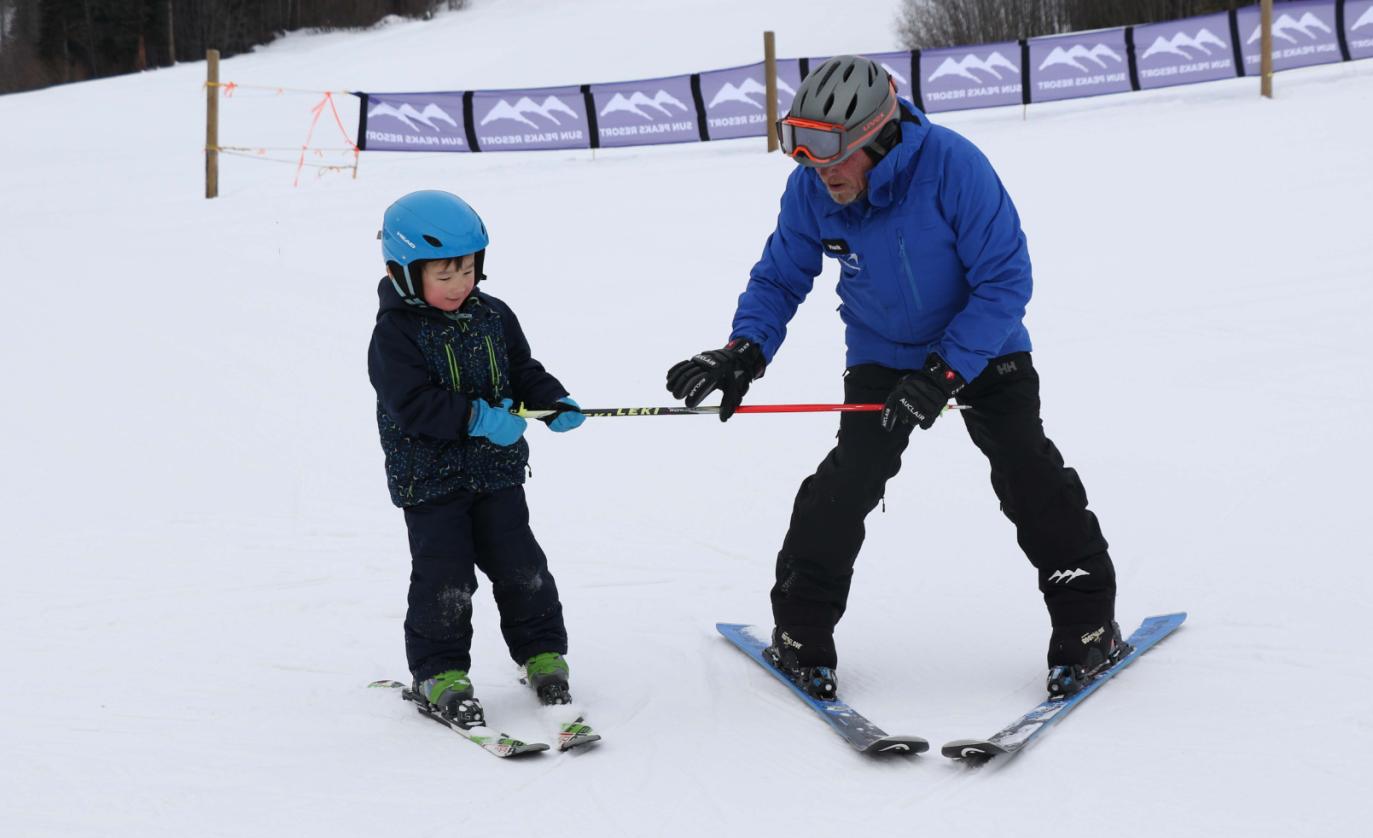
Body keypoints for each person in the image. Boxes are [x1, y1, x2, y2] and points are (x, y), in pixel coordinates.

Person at [666, 56, 1120, 700]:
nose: (821, 175)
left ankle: (1087, 623)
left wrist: (946, 371)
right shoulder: (811, 187)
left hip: (984, 344)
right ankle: (801, 632)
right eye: (804, 157)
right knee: (850, 478)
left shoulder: (954, 167)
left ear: (880, 136)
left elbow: (1004, 281)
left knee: (1025, 468)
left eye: (833, 158)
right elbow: (780, 276)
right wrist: (744, 348)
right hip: (882, 349)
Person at [369, 189, 586, 727]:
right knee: (446, 578)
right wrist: (479, 418)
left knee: (522, 567)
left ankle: (541, 653)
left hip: (497, 473)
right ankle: (438, 671)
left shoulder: (493, 315)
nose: (460, 284)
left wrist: (551, 399)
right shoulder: (394, 334)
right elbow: (413, 404)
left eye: (467, 269)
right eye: (444, 275)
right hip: (431, 483)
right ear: (403, 272)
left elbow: (521, 368)